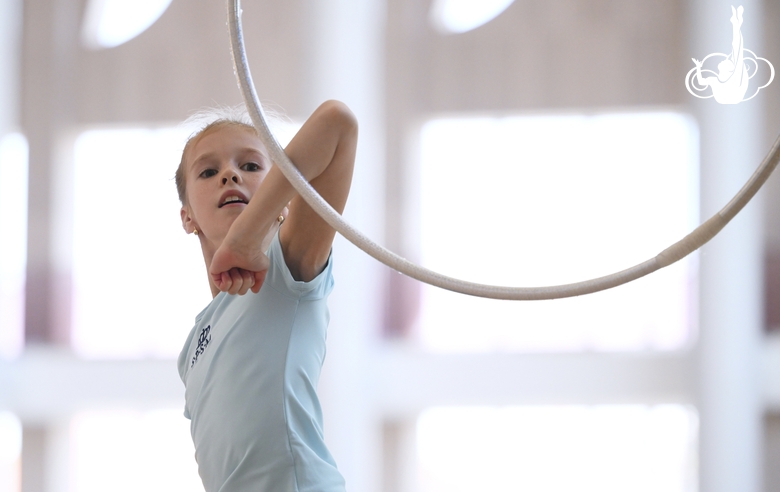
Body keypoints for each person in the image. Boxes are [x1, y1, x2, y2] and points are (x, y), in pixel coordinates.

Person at [176, 100, 357, 492]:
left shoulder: (284, 263)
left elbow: (337, 124)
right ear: (187, 216)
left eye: (251, 166)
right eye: (209, 171)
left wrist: (247, 235)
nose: (230, 175)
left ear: (282, 196)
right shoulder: (191, 348)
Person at [692, 5, 749, 104]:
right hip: (724, 104)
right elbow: (701, 82)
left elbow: (737, 48)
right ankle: (736, 23)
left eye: (727, 62)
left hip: (731, 102)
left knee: (736, 48)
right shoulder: (715, 80)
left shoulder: (734, 78)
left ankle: (736, 23)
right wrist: (698, 67)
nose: (725, 59)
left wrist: (736, 26)